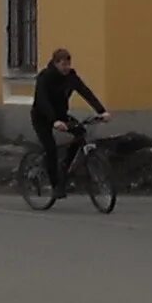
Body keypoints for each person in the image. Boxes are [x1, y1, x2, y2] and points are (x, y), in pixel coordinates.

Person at [29, 45, 107, 205]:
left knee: (80, 133)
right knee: (50, 148)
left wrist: (101, 111)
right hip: (42, 117)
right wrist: (54, 121)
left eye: (68, 64)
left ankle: (65, 166)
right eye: (63, 64)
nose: (66, 68)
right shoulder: (45, 77)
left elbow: (85, 91)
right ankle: (56, 185)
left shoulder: (71, 77)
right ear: (55, 63)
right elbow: (42, 100)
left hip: (61, 116)